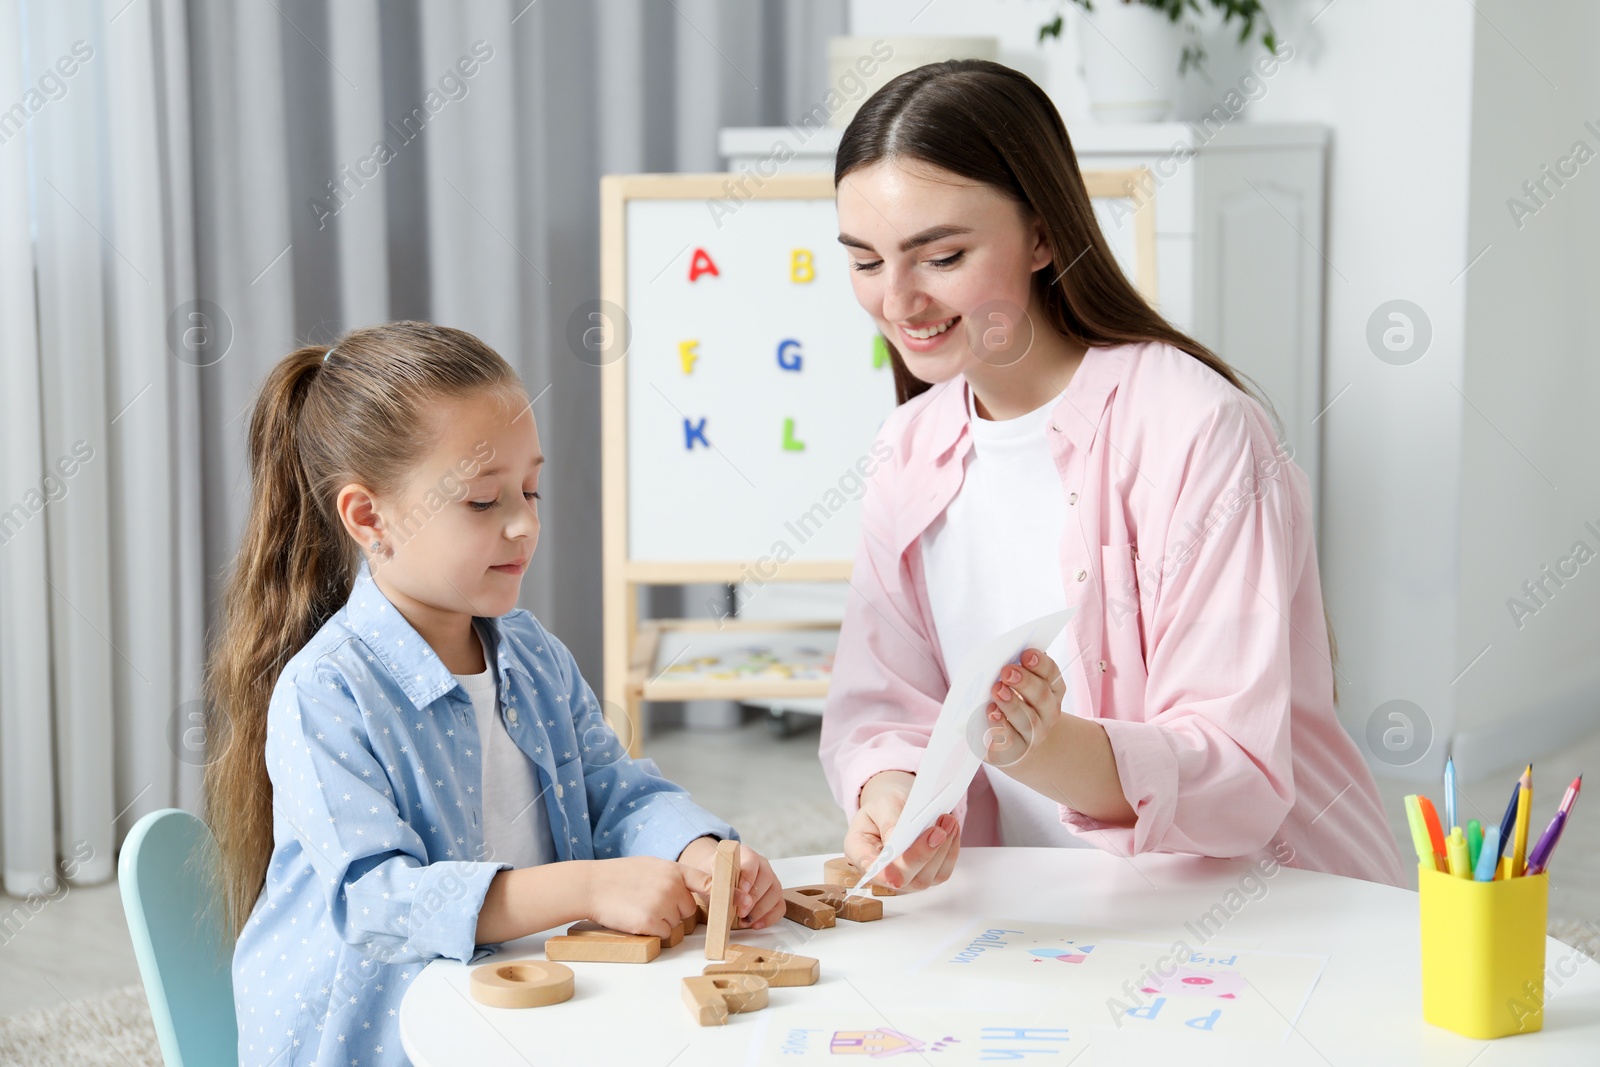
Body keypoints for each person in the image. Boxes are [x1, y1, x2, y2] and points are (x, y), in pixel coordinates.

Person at [819, 60, 1404, 894]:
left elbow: (1235, 772)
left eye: (940, 255)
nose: (897, 300)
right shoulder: (909, 445)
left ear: (1044, 235)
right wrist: (895, 791)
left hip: (1261, 912)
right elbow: (884, 702)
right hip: (1048, 921)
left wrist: (1045, 746)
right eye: (865, 261)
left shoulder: (1197, 429)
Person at [204, 322, 784, 1066]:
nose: (524, 523)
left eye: (531, 488)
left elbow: (616, 791)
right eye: (483, 502)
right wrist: (587, 886)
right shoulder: (326, 691)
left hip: (527, 1004)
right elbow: (381, 900)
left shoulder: (532, 652)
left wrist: (698, 849)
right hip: (380, 1037)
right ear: (368, 517)